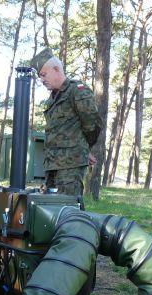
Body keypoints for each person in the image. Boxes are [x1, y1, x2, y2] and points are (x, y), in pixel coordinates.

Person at [30, 48, 103, 197]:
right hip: (52, 164)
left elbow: (92, 125)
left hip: (70, 165)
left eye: (44, 75)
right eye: (40, 76)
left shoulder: (77, 90)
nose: (42, 80)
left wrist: (82, 149)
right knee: (50, 209)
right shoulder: (53, 98)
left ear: (56, 69)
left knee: (68, 208)